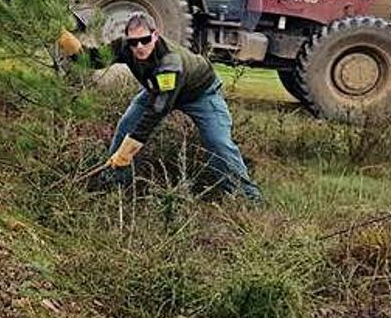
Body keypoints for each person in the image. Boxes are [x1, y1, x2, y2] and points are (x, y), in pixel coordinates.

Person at [58, 12, 262, 201]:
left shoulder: (170, 62)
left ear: (155, 36)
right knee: (126, 127)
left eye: (145, 40)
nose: (139, 46)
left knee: (217, 142)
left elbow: (156, 111)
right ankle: (115, 189)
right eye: (133, 41)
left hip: (199, 93)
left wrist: (126, 153)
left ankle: (248, 197)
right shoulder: (124, 47)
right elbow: (91, 59)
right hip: (158, 90)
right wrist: (59, 33)